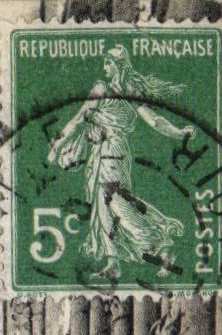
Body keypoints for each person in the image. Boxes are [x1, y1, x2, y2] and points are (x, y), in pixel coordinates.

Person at [47, 44, 194, 279]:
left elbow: (153, 121)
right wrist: (179, 133)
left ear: (119, 66)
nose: (104, 67)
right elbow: (79, 119)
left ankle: (159, 242)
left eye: (108, 63)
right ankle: (113, 262)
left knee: (116, 201)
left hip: (111, 151)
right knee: (104, 207)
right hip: (107, 151)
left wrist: (179, 133)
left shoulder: (109, 89)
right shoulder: (124, 90)